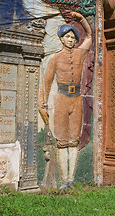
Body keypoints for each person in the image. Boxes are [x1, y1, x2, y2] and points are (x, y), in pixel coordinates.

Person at [39, 11, 92, 189]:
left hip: (76, 100)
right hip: (61, 99)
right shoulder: (56, 58)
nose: (70, 39)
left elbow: (90, 35)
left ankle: (70, 178)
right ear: (61, 39)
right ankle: (64, 181)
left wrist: (82, 19)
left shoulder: (80, 54)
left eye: (72, 37)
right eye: (67, 36)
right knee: (62, 141)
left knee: (73, 141)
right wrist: (42, 105)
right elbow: (46, 83)